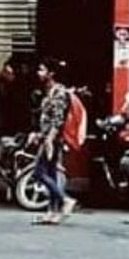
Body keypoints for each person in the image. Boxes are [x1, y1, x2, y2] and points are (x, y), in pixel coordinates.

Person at [30, 59, 75, 225]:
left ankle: (65, 200)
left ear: (51, 73)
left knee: (39, 173)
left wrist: (48, 140)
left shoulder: (59, 92)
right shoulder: (49, 91)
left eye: (42, 70)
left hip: (53, 140)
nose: (38, 73)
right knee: (50, 174)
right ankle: (51, 212)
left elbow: (58, 120)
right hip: (47, 137)